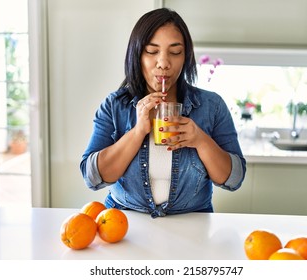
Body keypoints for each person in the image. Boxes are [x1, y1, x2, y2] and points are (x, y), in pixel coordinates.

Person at [80, 8, 246, 218]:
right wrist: (138, 131)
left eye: (175, 52)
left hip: (192, 222)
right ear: (137, 55)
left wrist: (201, 141)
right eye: (152, 51)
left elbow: (234, 179)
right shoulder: (115, 105)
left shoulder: (211, 106)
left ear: (185, 57)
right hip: (123, 222)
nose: (164, 63)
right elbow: (92, 177)